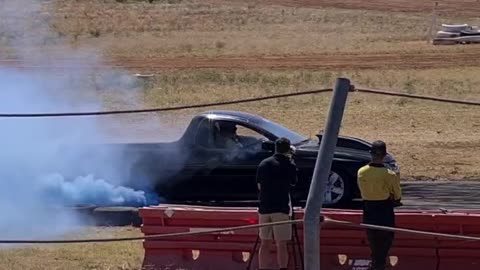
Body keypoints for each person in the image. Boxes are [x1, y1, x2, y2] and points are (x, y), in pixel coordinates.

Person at [357, 140, 402, 270]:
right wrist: (397, 199)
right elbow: (397, 193)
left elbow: (362, 189)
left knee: (373, 242)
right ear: (384, 155)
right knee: (386, 242)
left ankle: (376, 264)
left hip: (368, 210)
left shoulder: (361, 172)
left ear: (371, 154)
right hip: (384, 210)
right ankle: (379, 265)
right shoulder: (389, 174)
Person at [256, 137, 298, 270]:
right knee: (282, 243)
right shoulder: (289, 164)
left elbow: (259, 186)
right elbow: (293, 182)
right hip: (281, 208)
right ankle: (282, 268)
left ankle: (263, 267)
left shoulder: (264, 164)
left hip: (264, 207)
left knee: (264, 243)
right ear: (288, 149)